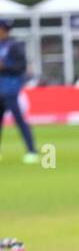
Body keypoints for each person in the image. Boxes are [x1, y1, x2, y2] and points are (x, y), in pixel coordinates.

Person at [0, 22, 39, 164]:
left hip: (10, 89)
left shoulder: (14, 46)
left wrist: (5, 67)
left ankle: (31, 151)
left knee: (19, 120)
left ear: (4, 30)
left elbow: (21, 67)